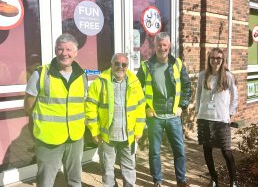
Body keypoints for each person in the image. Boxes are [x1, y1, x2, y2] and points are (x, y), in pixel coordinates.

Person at [24, 33, 88, 187]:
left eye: (68, 49)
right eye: (60, 49)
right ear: (55, 51)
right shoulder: (41, 74)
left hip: (75, 137)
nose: (64, 53)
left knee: (75, 179)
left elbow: (82, 103)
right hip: (48, 138)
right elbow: (28, 106)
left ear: (76, 52)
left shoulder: (82, 75)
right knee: (46, 181)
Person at [136, 32, 192, 187]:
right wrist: (146, 107)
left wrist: (182, 105)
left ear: (169, 46)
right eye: (159, 45)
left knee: (179, 150)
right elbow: (136, 89)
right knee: (154, 152)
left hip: (174, 115)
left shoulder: (178, 64)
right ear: (155, 46)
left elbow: (187, 86)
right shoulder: (146, 66)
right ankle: (157, 181)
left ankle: (181, 181)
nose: (162, 48)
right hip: (155, 116)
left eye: (165, 45)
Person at [85, 53, 146, 187]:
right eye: (117, 63)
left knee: (129, 168)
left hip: (128, 135)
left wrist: (139, 129)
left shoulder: (134, 82)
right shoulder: (100, 82)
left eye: (124, 64)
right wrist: (94, 131)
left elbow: (141, 107)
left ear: (127, 66)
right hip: (107, 136)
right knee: (107, 169)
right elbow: (90, 107)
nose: (120, 67)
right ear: (111, 64)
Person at [195, 48, 239, 187]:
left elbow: (235, 97)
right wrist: (198, 111)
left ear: (223, 60)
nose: (215, 61)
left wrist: (231, 113)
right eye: (213, 58)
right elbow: (198, 95)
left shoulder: (228, 76)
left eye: (218, 58)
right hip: (205, 118)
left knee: (226, 152)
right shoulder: (203, 75)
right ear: (209, 59)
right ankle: (214, 179)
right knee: (207, 150)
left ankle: (234, 181)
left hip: (221, 119)